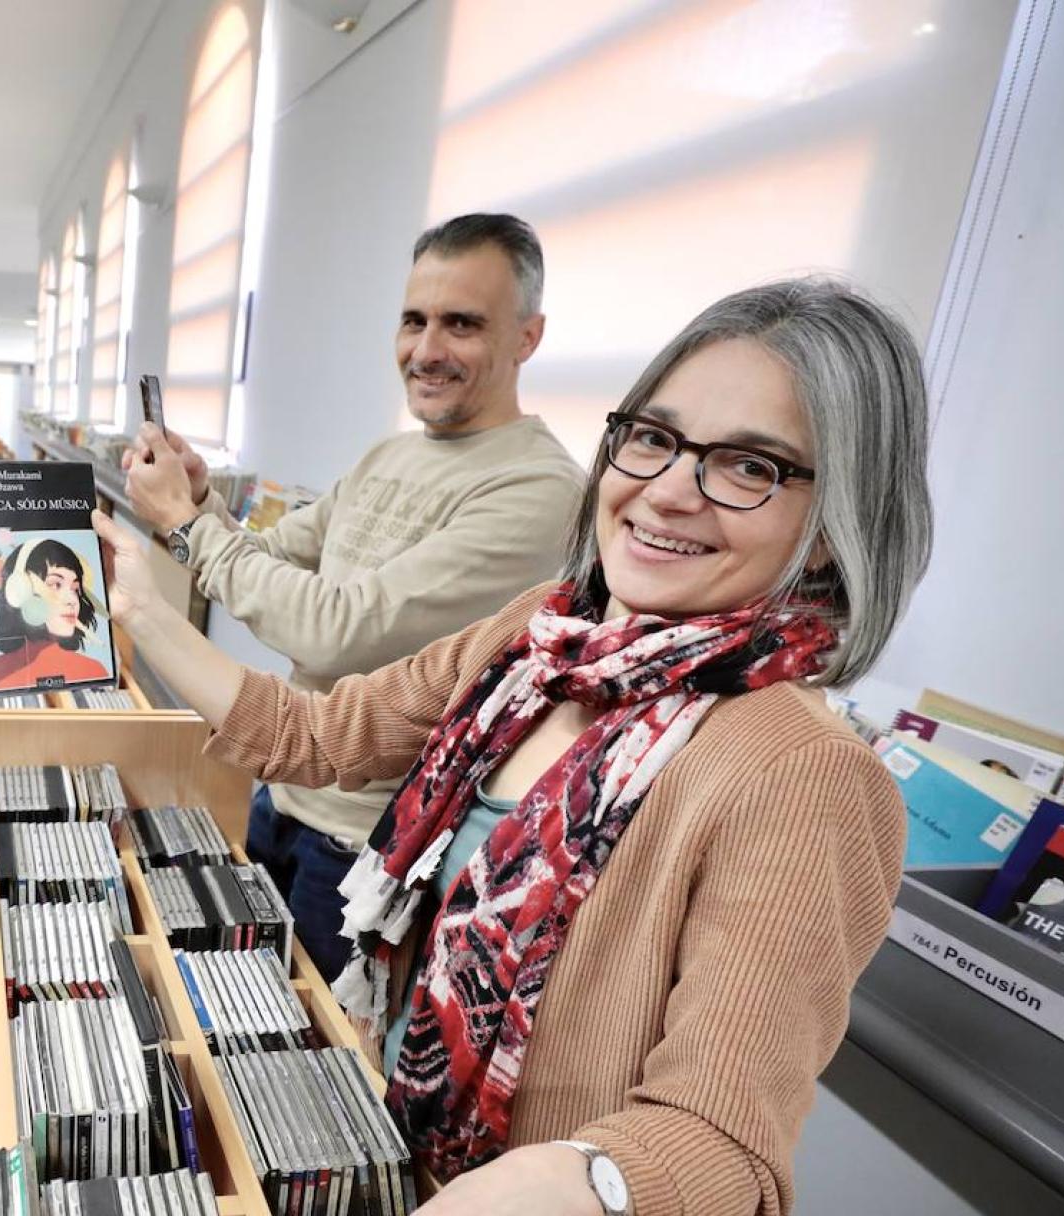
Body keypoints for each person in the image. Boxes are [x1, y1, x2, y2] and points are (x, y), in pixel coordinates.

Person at [95, 277, 930, 1215]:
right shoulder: (537, 638)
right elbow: (321, 734)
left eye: (748, 468)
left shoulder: (801, 773)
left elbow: (720, 1141)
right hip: (389, 1144)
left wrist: (565, 1182)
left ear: (831, 530)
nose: (667, 492)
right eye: (653, 439)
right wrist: (139, 611)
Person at [122, 213, 583, 980]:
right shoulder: (388, 454)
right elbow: (269, 557)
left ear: (527, 337)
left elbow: (335, 631)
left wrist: (185, 527)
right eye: (414, 320)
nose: (427, 350)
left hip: (366, 852)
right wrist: (199, 504)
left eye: (462, 324)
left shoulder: (538, 491)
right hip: (281, 797)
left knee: (299, 1061)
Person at [0, 537, 110, 691]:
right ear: (18, 592)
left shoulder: (93, 672)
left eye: (75, 589)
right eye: (56, 584)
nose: (73, 600)